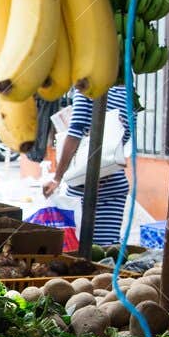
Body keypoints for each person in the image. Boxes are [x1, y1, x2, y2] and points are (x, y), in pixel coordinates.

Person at [43, 85, 134, 247]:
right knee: (107, 249)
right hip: (115, 182)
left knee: (86, 250)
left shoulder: (88, 88)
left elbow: (75, 133)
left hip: (86, 185)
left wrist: (57, 177)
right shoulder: (128, 91)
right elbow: (123, 136)